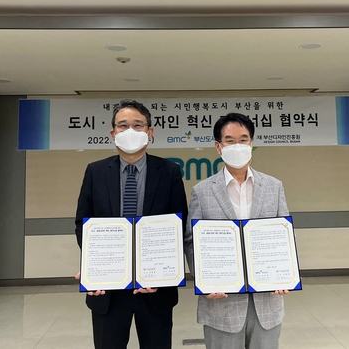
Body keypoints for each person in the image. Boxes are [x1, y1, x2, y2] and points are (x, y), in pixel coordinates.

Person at [75, 99, 188, 349]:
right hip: (108, 290)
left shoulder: (169, 171)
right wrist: (93, 267)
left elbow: (177, 227)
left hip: (155, 288)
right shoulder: (95, 172)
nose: (130, 131)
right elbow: (83, 225)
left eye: (138, 125)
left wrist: (162, 271)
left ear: (150, 132)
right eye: (123, 126)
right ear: (113, 133)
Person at [184, 112, 290, 349]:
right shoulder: (202, 191)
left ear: (251, 144)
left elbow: (283, 236)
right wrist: (204, 280)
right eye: (230, 141)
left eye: (243, 140)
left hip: (267, 301)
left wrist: (284, 276)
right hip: (221, 302)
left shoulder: (273, 186)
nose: (238, 146)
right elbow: (191, 241)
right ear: (218, 147)